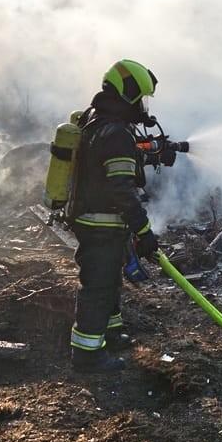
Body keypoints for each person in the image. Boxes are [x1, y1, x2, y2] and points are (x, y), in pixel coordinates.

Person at [66, 59, 161, 373]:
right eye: (140, 98)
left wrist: (150, 154)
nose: (142, 106)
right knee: (99, 286)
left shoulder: (95, 122)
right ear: (129, 93)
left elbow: (111, 164)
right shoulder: (116, 132)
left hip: (96, 221)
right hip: (101, 224)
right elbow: (121, 188)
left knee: (108, 280)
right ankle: (87, 354)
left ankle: (110, 332)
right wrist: (144, 230)